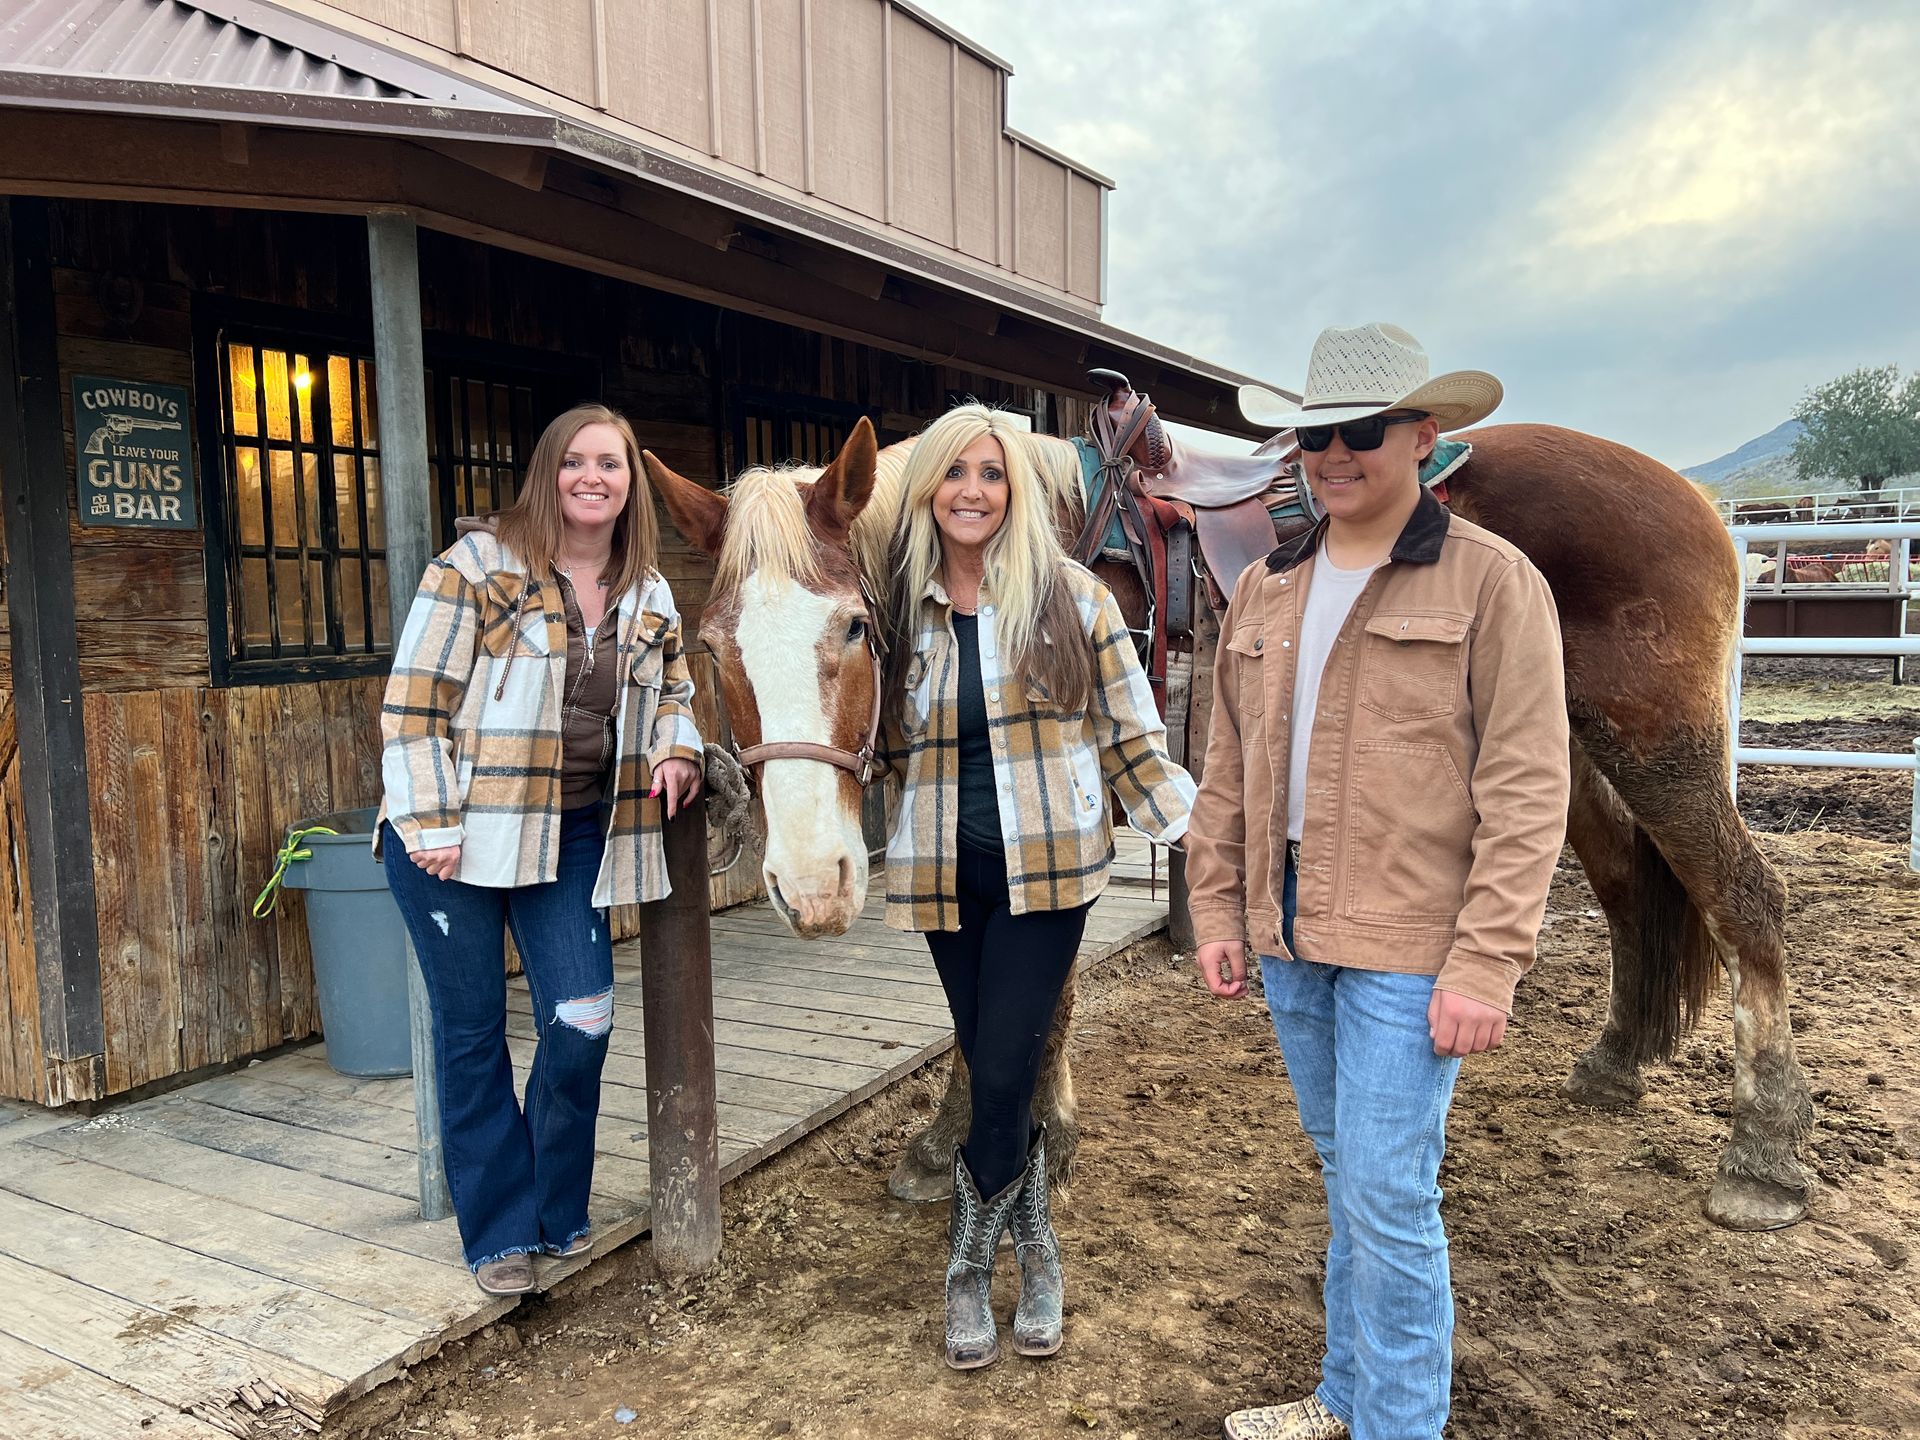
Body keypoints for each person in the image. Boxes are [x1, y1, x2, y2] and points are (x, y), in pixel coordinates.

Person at [1186, 325, 1570, 1440]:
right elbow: (1228, 765)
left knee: (1391, 1196)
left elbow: (1527, 786)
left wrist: (1487, 962)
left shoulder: (1492, 582)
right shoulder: (1265, 587)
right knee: (1349, 1173)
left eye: (1360, 432)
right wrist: (1216, 905)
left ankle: (1398, 1422)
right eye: (1315, 437)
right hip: (1288, 925)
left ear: (1421, 436)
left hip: (1412, 939)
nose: (1334, 455)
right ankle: (1345, 1397)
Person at [880, 404, 1195, 1369]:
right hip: (943, 872)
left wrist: (1203, 837)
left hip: (1050, 869)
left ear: (1014, 489)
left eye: (991, 473)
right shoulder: (900, 608)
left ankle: (975, 1263)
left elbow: (1130, 735)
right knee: (989, 1059)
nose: (972, 491)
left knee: (1006, 1069)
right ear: (928, 490)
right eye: (954, 473)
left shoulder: (1073, 598)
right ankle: (1032, 1233)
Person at [379, 403, 704, 1297]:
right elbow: (412, 708)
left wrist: (677, 746)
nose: (592, 477)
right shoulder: (478, 568)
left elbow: (674, 691)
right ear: (547, 472)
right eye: (575, 461)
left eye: (611, 463)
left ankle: (553, 1205)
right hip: (453, 837)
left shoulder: (647, 592)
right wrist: (433, 825)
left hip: (568, 832)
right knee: (473, 1032)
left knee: (582, 1018)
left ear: (631, 482)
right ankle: (499, 1235)